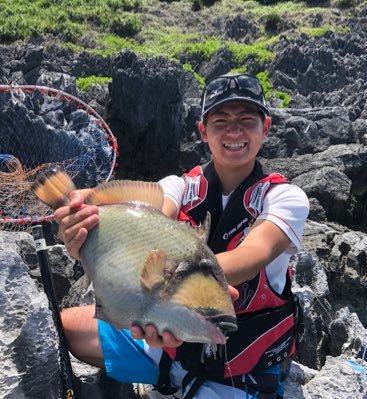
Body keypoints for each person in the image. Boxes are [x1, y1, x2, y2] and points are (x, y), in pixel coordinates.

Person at [55, 73, 309, 398]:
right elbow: (149, 214)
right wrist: (87, 219)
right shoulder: (181, 186)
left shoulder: (285, 198)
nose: (234, 130)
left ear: (266, 127)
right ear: (203, 131)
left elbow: (253, 254)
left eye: (247, 120)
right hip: (166, 348)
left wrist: (179, 283)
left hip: (238, 372)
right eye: (221, 120)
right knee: (63, 327)